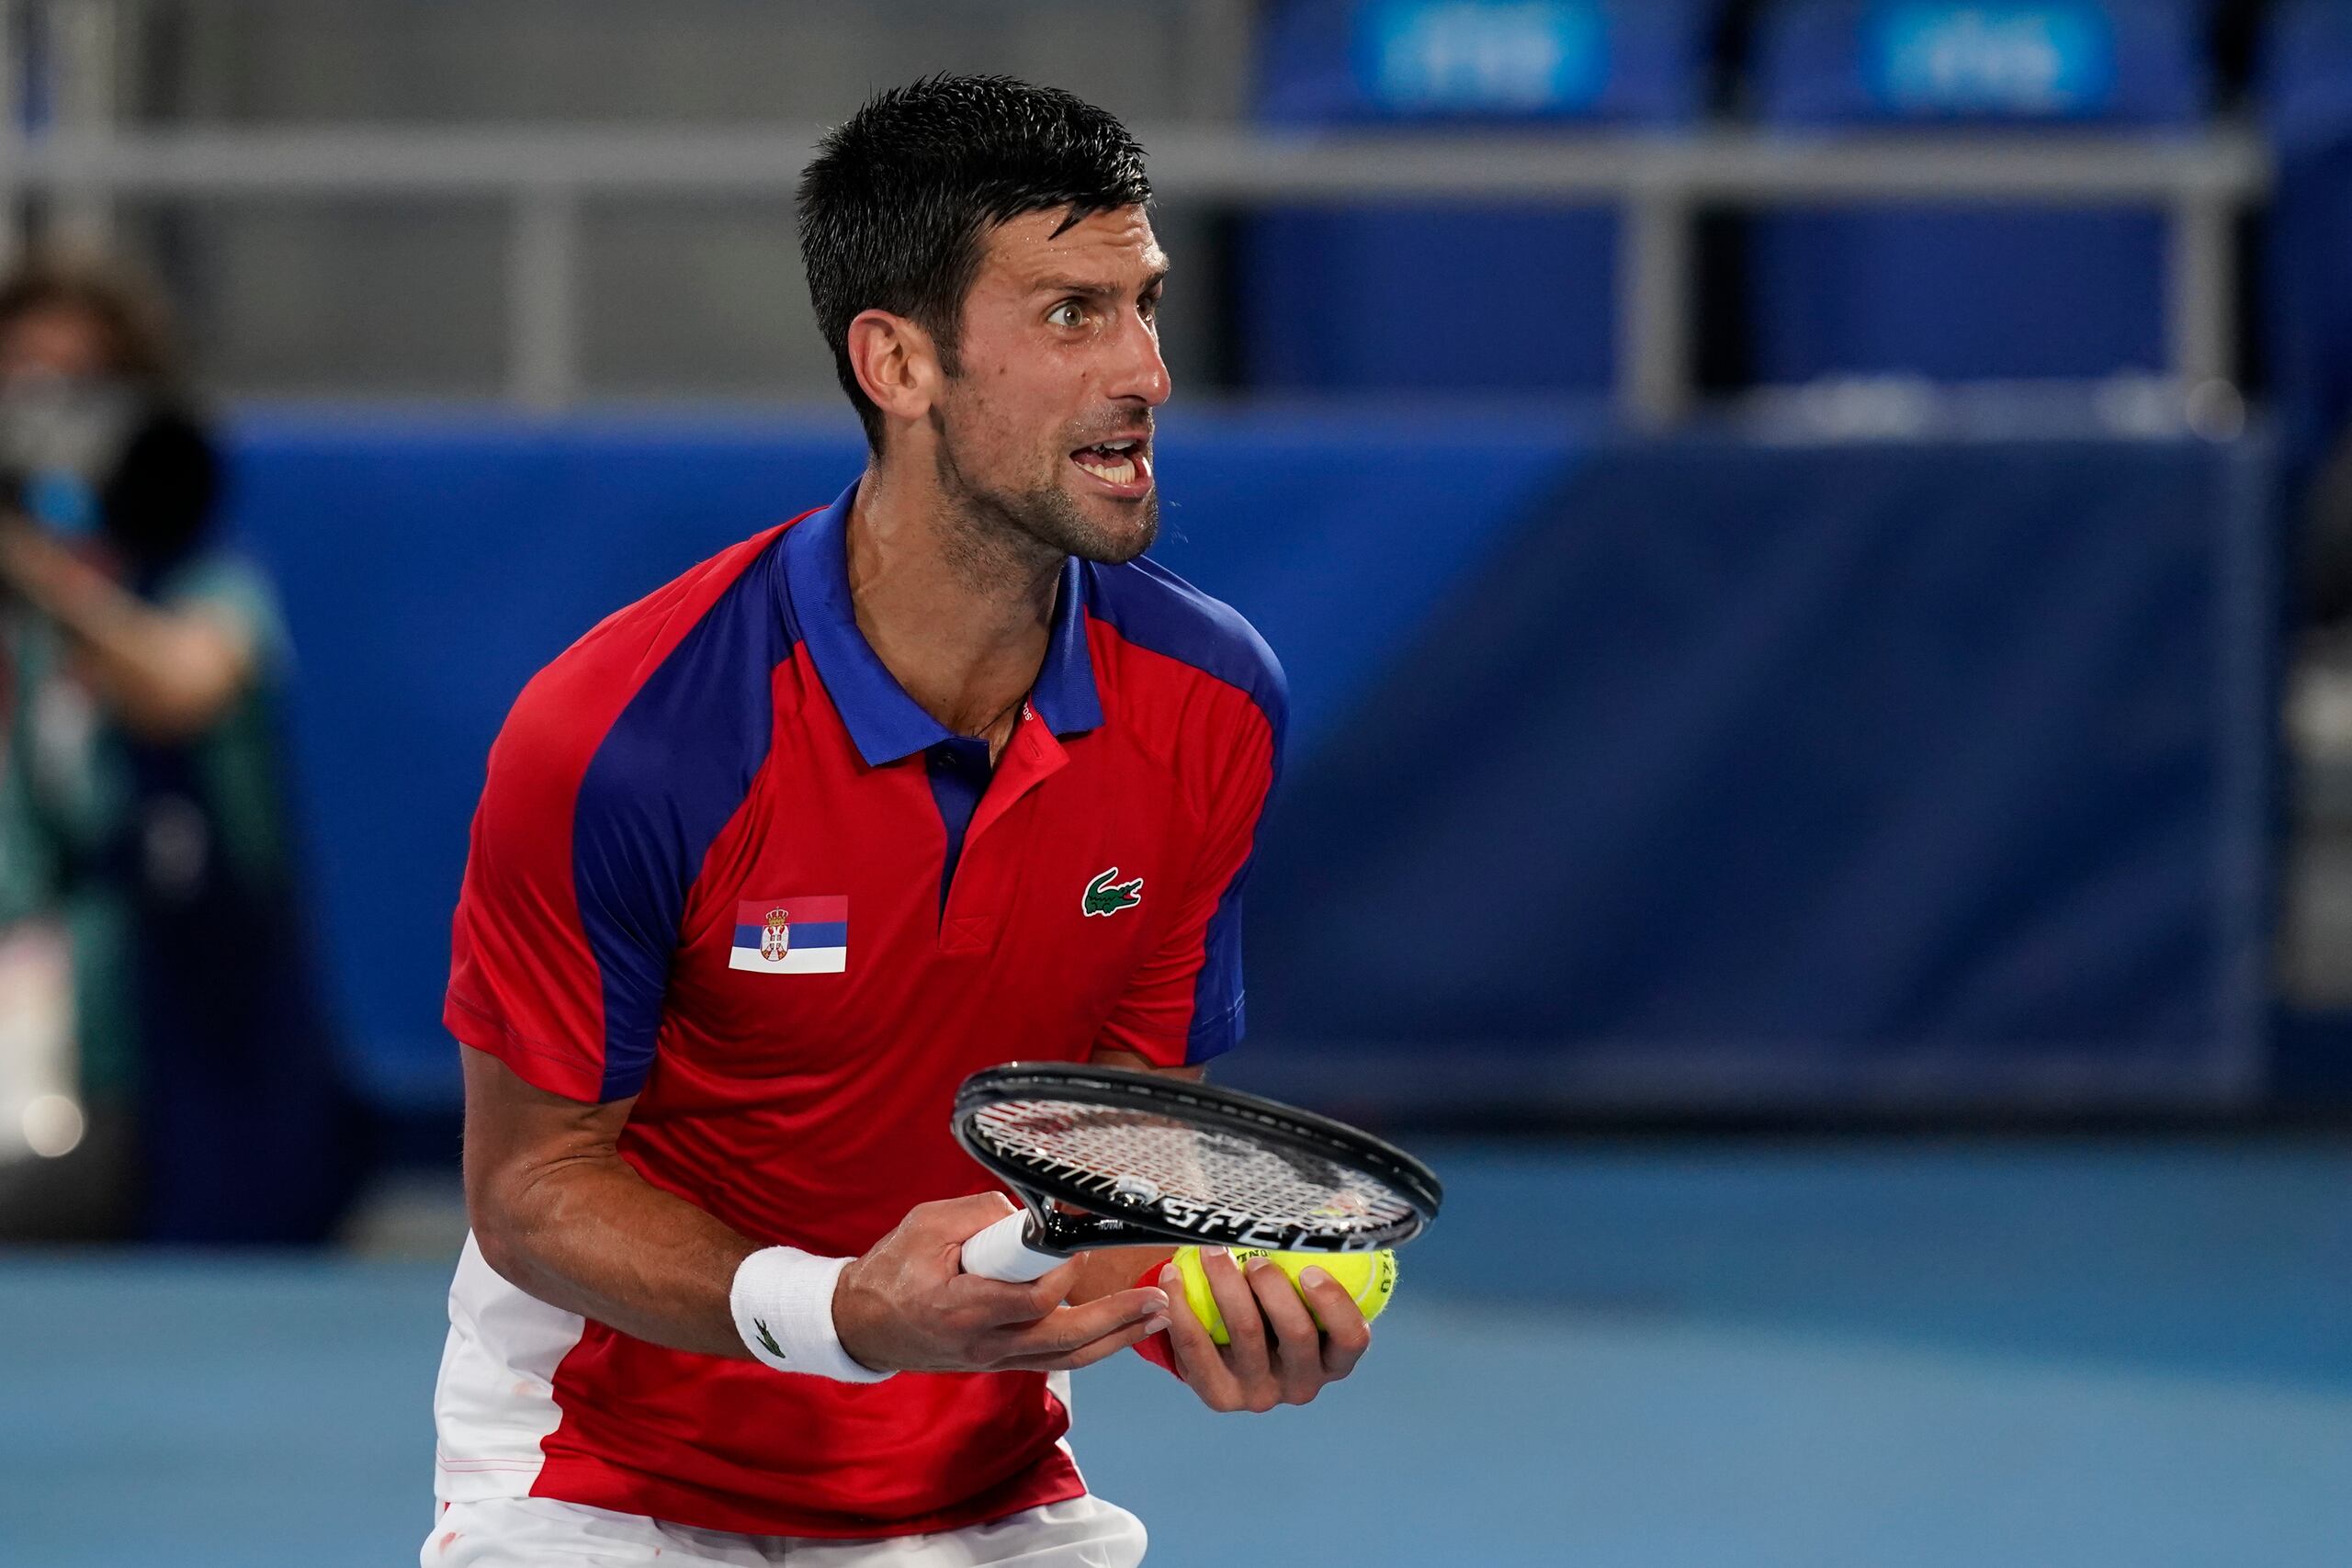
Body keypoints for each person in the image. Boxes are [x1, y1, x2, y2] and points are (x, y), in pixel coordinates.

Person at [429, 76, 1363, 1566]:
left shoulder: (1212, 705)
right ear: (899, 362)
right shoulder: (626, 733)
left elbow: (1114, 1156)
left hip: (980, 1485)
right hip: (603, 1480)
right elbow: (533, 1192)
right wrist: (845, 1308)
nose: (1146, 370)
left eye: (1146, 303)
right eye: (1071, 314)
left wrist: (1193, 1301)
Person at [0, 251, 355, 1244]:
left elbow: (179, 687)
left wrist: (33, 566)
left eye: (80, 381)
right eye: (22, 376)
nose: (47, 409)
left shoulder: (205, 580)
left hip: (186, 1058)